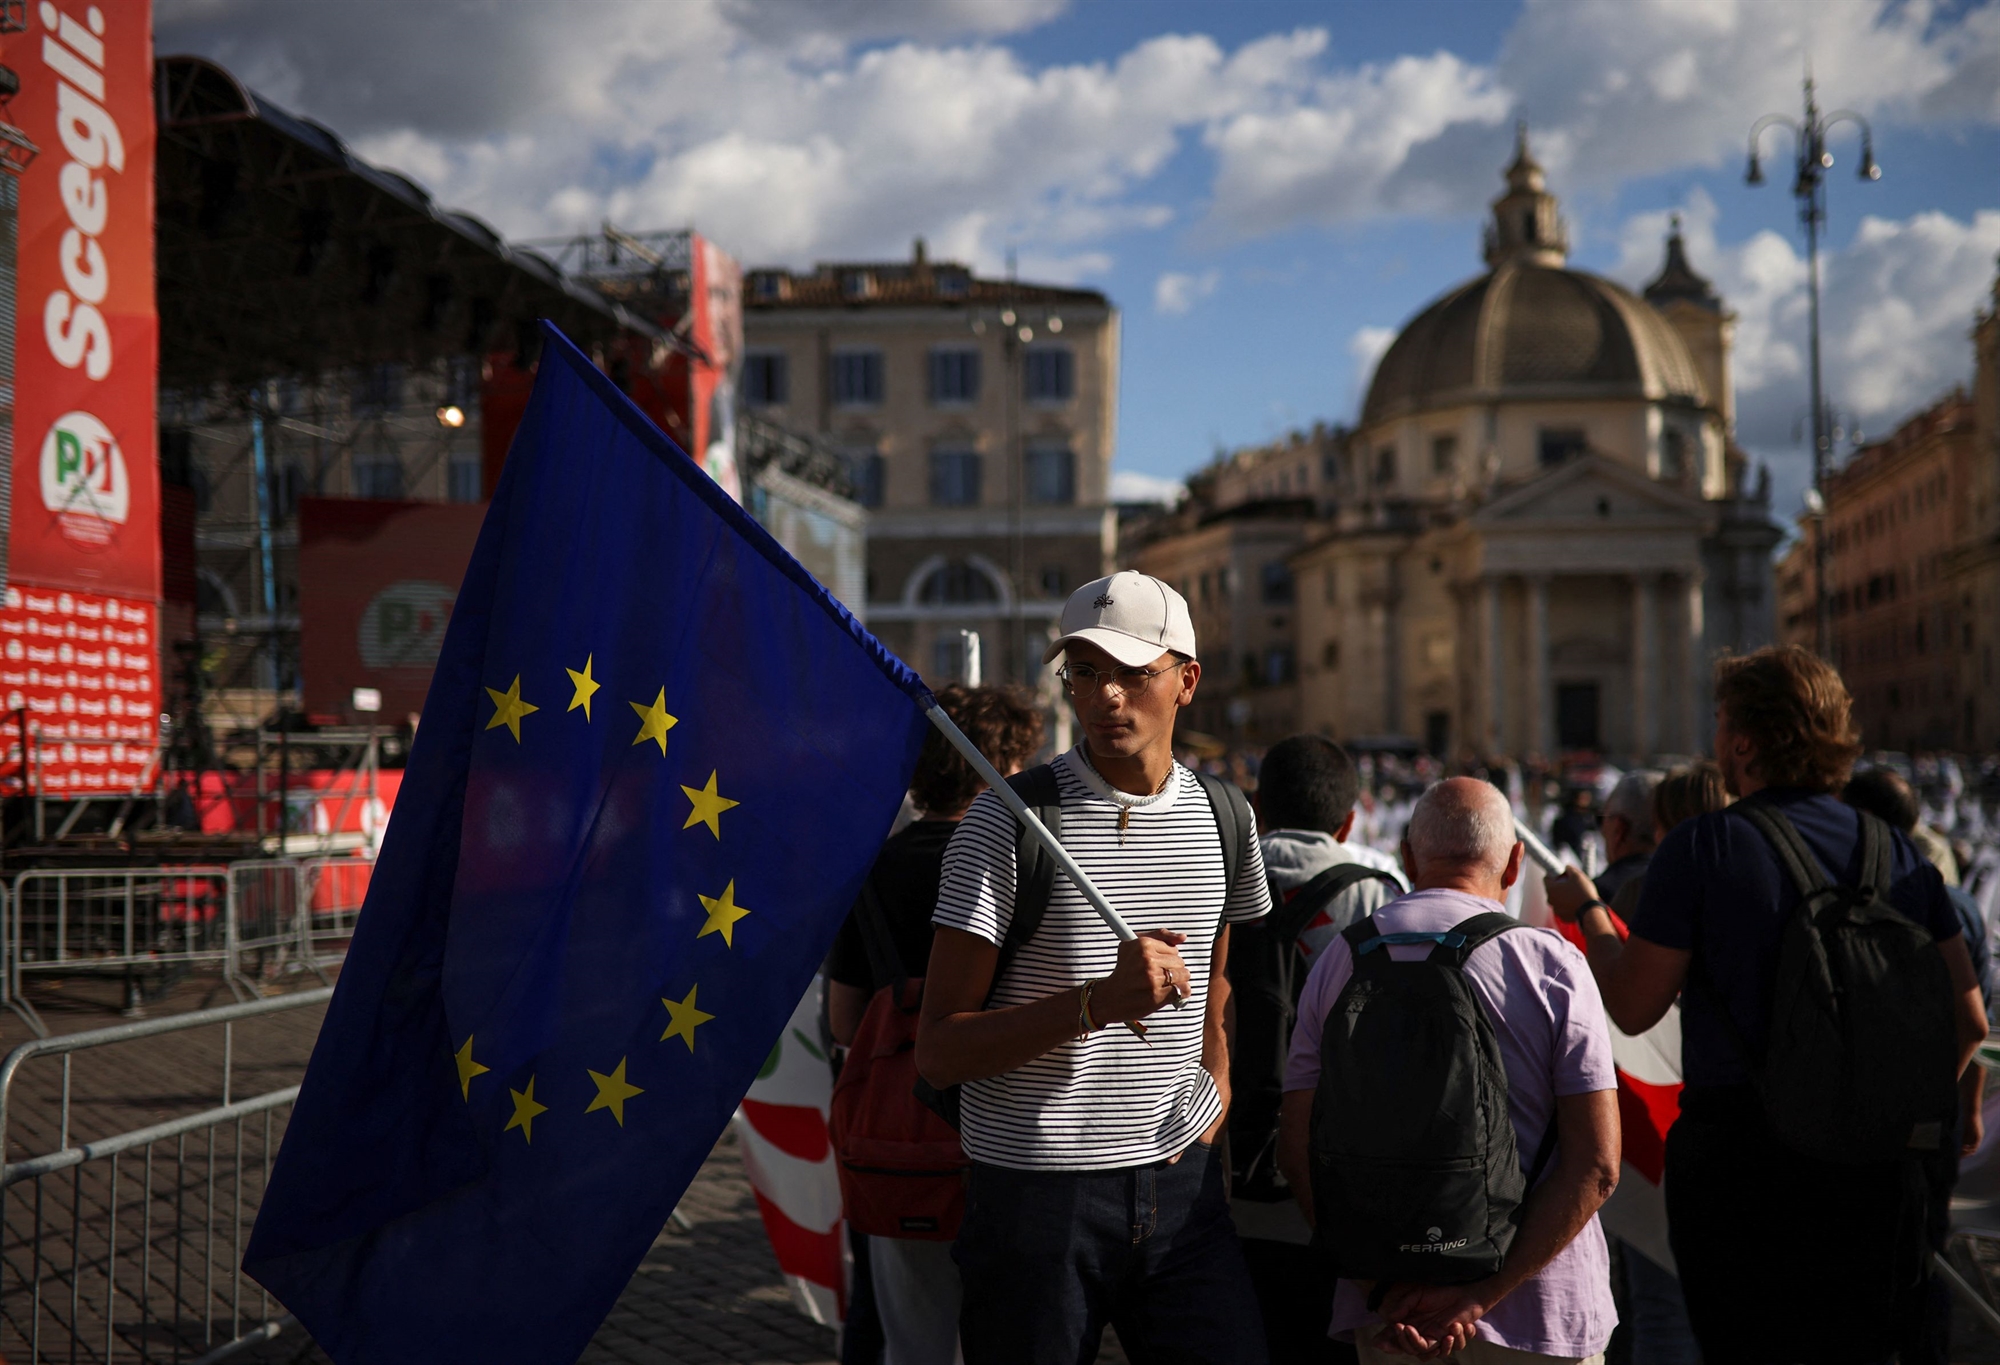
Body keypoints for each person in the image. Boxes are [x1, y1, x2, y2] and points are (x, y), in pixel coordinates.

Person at [1547, 646, 1987, 1365]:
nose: (1714, 737)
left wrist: (1593, 913)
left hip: (1744, 1172)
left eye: (1720, 721)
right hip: (1876, 1176)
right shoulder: (1897, 852)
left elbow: (1632, 1005)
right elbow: (1968, 1020)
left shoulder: (1704, 846)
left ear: (1745, 740)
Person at [916, 571, 1273, 1365]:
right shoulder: (1006, 823)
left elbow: (1216, 985)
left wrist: (1212, 1099)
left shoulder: (1227, 816)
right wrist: (1094, 1003)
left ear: (1187, 679)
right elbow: (938, 1047)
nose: (1106, 695)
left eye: (1132, 672)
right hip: (1035, 1199)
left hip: (1182, 1189)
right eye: (1084, 670)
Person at [1278, 777, 1622, 1364]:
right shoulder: (1551, 964)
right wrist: (1479, 1297)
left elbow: (1297, 1147)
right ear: (1516, 864)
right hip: (1535, 1313)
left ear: (1407, 857)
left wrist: (1384, 1292)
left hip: (1389, 1312)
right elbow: (1597, 1164)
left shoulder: (1341, 959)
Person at [825, 684, 1044, 1365]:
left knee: (914, 1340)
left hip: (904, 1145)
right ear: (1002, 770)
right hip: (1015, 1139)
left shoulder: (869, 869)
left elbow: (843, 1020)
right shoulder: (1023, 864)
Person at [1230, 734, 1407, 1364]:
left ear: (1259, 807)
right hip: (1339, 1188)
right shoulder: (1382, 898)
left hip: (1225, 1176)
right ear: (1350, 819)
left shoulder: (1211, 879)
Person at [1592, 771, 1661, 907]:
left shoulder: (1597, 895)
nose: (1602, 831)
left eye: (1601, 820)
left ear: (1619, 829)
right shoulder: (1687, 884)